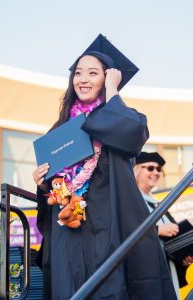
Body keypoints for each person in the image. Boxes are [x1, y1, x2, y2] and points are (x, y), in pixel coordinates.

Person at [32, 34, 177, 300]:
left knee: (109, 286)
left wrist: (113, 89)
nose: (83, 79)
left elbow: (133, 134)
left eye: (93, 73)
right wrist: (42, 181)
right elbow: (57, 183)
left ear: (107, 78)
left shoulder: (118, 117)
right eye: (78, 73)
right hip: (69, 225)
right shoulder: (61, 129)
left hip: (107, 223)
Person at [134, 151, 193, 290]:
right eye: (150, 168)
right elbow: (126, 230)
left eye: (159, 169)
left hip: (167, 268)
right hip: (146, 271)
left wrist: (182, 257)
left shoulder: (159, 204)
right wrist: (158, 230)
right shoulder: (132, 200)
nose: (156, 172)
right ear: (137, 169)